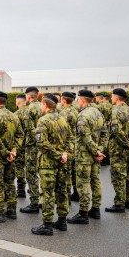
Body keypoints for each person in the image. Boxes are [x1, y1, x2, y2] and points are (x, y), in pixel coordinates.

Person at [31, 93, 72, 236]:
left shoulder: (43, 121)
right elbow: (71, 139)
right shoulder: (63, 119)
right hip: (63, 163)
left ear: (45, 105)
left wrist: (58, 155)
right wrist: (65, 154)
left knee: (47, 193)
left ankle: (47, 225)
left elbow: (42, 143)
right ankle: (62, 221)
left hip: (48, 163)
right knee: (62, 192)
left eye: (42, 104)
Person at [67, 90, 108, 225]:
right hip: (96, 155)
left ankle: (83, 213)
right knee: (95, 181)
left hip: (85, 155)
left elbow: (85, 137)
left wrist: (96, 152)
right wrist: (100, 150)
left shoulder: (83, 115)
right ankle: (95, 209)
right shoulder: (99, 113)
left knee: (83, 183)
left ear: (83, 100)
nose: (77, 101)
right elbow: (105, 134)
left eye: (78, 99)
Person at [0, 91, 24, 223]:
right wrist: (13, 151)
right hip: (10, 157)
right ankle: (12, 210)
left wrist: (6, 152)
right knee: (10, 183)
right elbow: (20, 135)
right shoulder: (13, 116)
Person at [106, 88, 129, 213]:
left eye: (113, 96)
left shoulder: (115, 111)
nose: (112, 98)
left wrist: (127, 144)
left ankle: (119, 203)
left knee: (118, 176)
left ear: (116, 97)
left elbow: (116, 132)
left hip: (119, 149)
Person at [20, 86, 43, 214]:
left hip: (32, 146)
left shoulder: (28, 110)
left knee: (31, 174)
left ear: (28, 96)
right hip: (44, 146)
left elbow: (28, 130)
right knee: (43, 173)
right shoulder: (44, 106)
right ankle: (42, 200)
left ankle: (34, 202)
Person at [59, 92, 79, 202]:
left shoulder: (63, 113)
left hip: (67, 144)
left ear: (64, 101)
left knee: (66, 172)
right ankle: (76, 193)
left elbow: (62, 131)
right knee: (74, 171)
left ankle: (66, 198)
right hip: (76, 143)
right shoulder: (76, 111)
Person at [13, 94, 27, 198]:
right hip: (33, 145)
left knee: (19, 167)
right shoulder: (34, 111)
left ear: (18, 102)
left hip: (20, 145)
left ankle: (21, 189)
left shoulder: (16, 114)